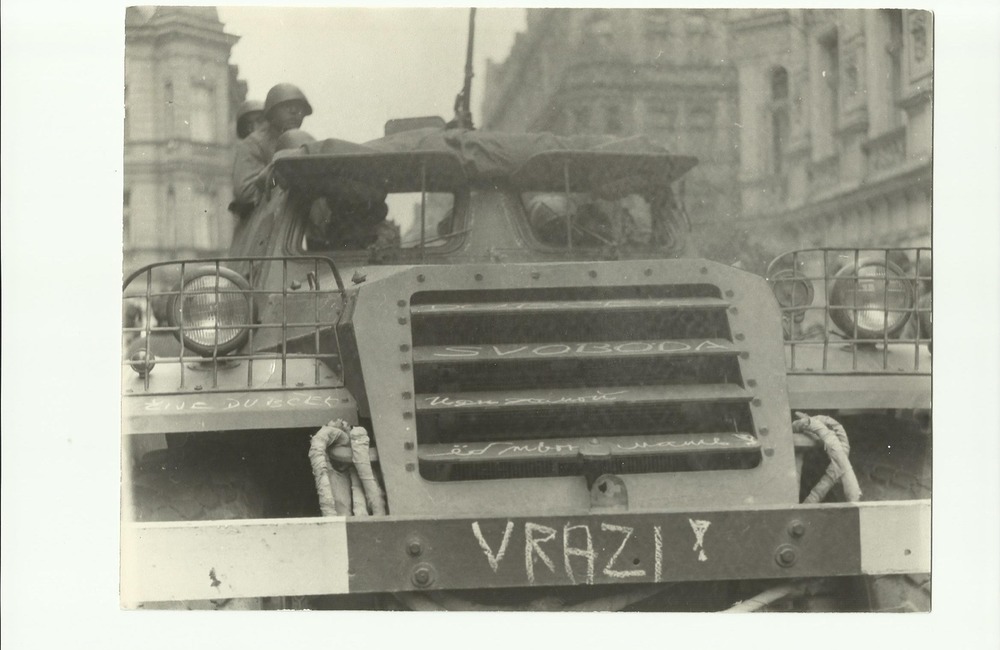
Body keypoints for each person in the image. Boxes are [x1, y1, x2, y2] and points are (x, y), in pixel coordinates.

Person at [230, 83, 314, 217]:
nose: (294, 111)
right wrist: (278, 173)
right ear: (272, 113)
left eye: (299, 107)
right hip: (267, 222)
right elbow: (245, 192)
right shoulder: (252, 144)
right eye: (287, 106)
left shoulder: (304, 142)